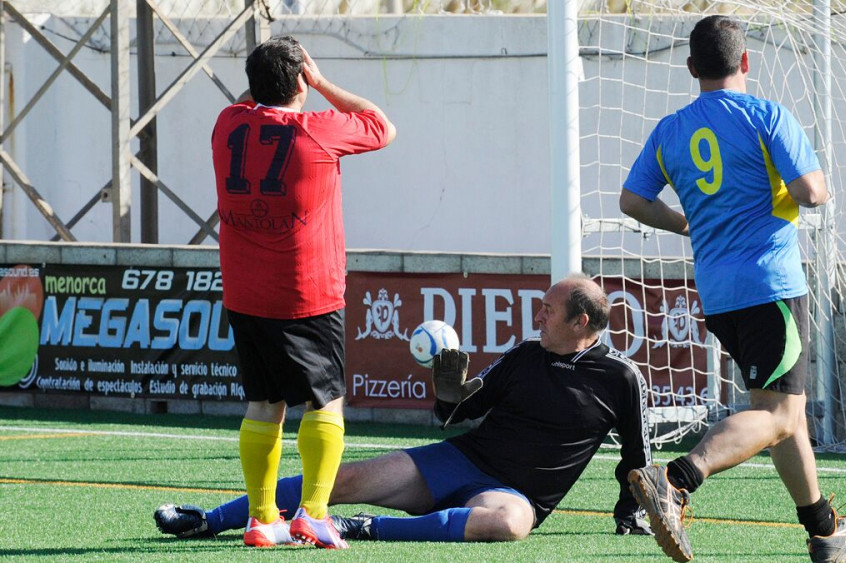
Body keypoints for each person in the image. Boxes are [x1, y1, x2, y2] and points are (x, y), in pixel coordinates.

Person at [618, 15, 846, 563]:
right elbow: (812, 194)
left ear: (692, 68)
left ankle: (825, 530)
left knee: (785, 414)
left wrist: (683, 223)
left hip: (718, 294)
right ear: (746, 61)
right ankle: (676, 481)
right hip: (771, 286)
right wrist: (812, 186)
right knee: (781, 416)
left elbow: (633, 201)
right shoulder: (767, 115)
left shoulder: (671, 129)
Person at [156, 275, 654, 543]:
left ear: (581, 321)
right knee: (340, 479)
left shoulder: (621, 378)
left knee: (507, 526)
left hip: (517, 494)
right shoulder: (526, 355)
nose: (538, 316)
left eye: (548, 310)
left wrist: (630, 512)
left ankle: (361, 528)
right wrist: (446, 388)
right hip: (461, 460)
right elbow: (457, 415)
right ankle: (210, 519)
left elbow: (637, 456)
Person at [209, 36, 395, 549]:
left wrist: (275, 79)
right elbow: (383, 125)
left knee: (263, 403)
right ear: (300, 82)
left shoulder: (227, 125)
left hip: (245, 292)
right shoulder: (316, 130)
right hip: (305, 292)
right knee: (326, 404)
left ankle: (261, 518)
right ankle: (313, 513)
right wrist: (321, 82)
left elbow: (252, 103)